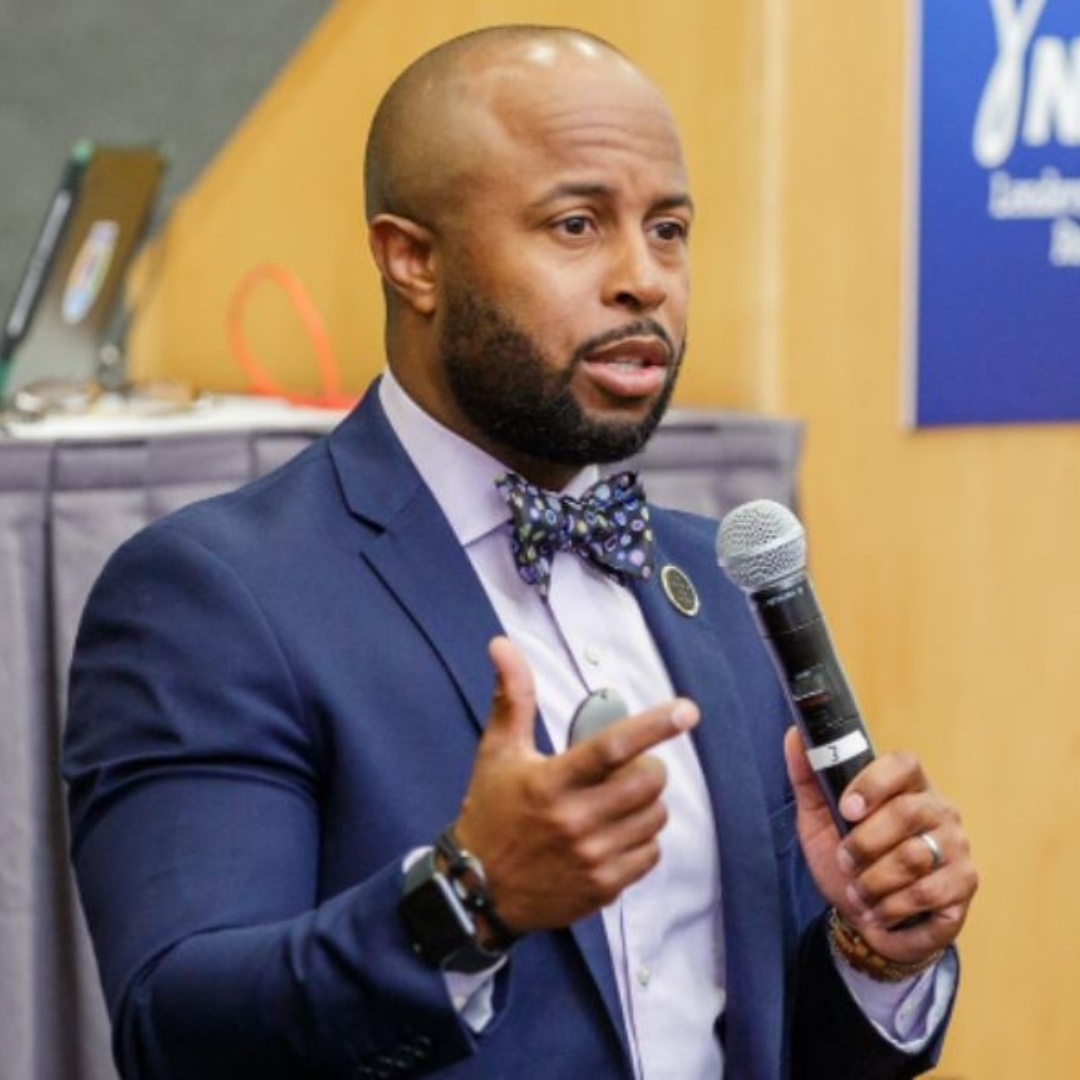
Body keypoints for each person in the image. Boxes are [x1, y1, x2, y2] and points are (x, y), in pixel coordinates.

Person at [63, 25, 978, 1080]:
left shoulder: (720, 584)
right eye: (577, 224)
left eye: (669, 229)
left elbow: (757, 1040)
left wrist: (872, 949)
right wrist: (468, 898)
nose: (645, 280)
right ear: (412, 259)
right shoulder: (214, 595)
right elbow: (178, 1032)